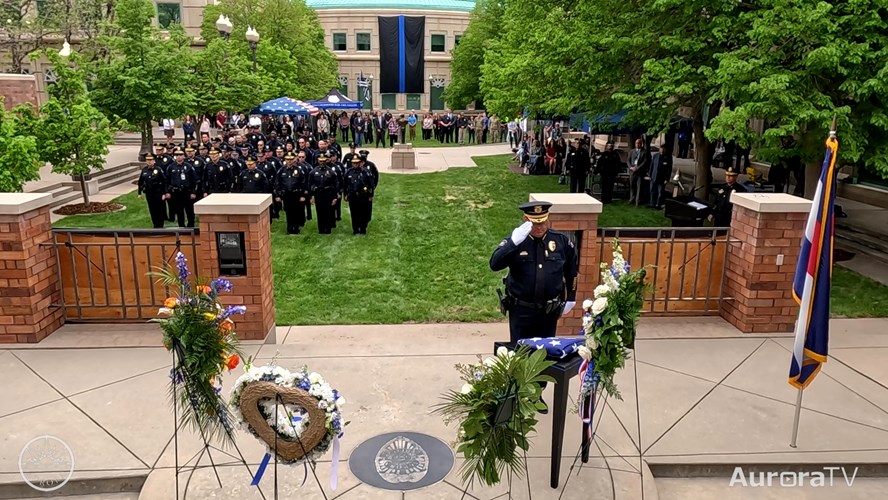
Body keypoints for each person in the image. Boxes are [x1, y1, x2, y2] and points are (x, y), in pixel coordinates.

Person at [490, 201, 578, 413]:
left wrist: (571, 298)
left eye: (543, 222)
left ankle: (537, 395)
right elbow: (494, 264)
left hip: (548, 312)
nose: (539, 227)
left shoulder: (561, 242)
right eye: (534, 223)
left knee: (544, 355)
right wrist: (512, 242)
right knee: (520, 354)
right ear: (526, 220)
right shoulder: (517, 241)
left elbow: (571, 271)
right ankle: (518, 395)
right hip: (522, 311)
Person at [164, 148, 199, 228]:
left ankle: (191, 226)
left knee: (189, 210)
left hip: (187, 192)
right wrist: (168, 191)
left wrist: (193, 192)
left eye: (180, 155)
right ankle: (181, 227)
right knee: (179, 211)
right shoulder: (170, 167)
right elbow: (167, 180)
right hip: (176, 192)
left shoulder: (189, 167)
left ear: (184, 156)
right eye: (177, 155)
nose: (179, 157)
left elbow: (194, 180)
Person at [275, 152, 309, 234]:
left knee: (296, 211)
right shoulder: (281, 170)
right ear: (285, 160)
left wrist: (303, 195)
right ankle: (289, 228)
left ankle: (296, 228)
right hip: (286, 195)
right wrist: (278, 195)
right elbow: (277, 183)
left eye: (291, 159)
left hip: (297, 194)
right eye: (287, 159)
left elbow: (304, 183)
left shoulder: (299, 170)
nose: (289, 161)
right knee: (288, 212)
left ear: (294, 159)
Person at [309, 151, 340, 234]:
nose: (322, 162)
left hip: (328, 194)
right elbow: (310, 184)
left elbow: (336, 184)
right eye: (320, 160)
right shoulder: (313, 172)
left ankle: (328, 229)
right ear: (318, 161)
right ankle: (321, 229)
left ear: (326, 160)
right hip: (318, 194)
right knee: (320, 212)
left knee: (328, 212)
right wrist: (310, 197)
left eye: (323, 160)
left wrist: (335, 197)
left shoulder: (331, 172)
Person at [344, 155, 375, 234]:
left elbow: (371, 185)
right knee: (354, 213)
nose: (355, 164)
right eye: (354, 163)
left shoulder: (366, 172)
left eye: (357, 163)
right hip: (352, 195)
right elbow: (345, 184)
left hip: (363, 195)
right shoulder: (348, 172)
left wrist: (370, 195)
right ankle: (355, 229)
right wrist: (346, 194)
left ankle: (363, 228)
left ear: (360, 163)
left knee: (363, 213)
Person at [137, 154, 167, 228]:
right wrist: (139, 193)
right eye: (148, 160)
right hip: (149, 193)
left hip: (158, 192)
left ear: (154, 161)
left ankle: (160, 225)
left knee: (159, 209)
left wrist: (164, 193)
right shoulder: (144, 170)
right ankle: (155, 225)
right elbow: (140, 182)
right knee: (152, 209)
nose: (149, 162)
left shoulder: (158, 169)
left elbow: (164, 182)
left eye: (151, 160)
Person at [628, 139, 651, 205]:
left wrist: (637, 168)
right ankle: (631, 198)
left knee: (639, 186)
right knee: (632, 185)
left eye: (639, 143)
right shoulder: (632, 151)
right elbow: (628, 161)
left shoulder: (644, 152)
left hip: (640, 172)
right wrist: (630, 167)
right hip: (632, 171)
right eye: (636, 143)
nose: (637, 144)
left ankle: (637, 200)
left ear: (641, 144)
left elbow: (645, 162)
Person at [649, 144, 672, 209]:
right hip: (654, 176)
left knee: (660, 193)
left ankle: (658, 204)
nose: (662, 151)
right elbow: (652, 166)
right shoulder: (655, 156)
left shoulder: (668, 157)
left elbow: (669, 169)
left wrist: (667, 179)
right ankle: (652, 203)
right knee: (652, 191)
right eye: (661, 149)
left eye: (663, 150)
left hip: (662, 178)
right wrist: (650, 175)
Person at [359, 149, 379, 221]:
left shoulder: (371, 165)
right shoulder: (358, 165)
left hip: (368, 189)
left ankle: (367, 218)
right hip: (360, 189)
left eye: (365, 156)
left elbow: (376, 176)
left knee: (368, 205)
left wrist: (374, 186)